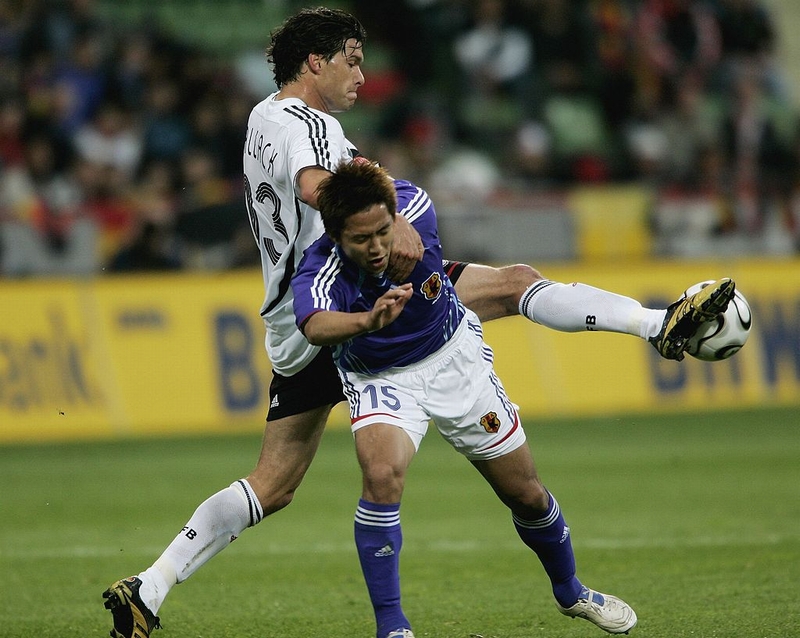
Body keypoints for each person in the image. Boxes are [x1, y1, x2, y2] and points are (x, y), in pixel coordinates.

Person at [101, 8, 736, 638]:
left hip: (295, 322)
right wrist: (388, 216)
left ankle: (149, 588)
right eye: (351, 58)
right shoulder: (306, 123)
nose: (361, 73)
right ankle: (658, 326)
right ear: (314, 62)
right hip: (341, 300)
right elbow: (318, 183)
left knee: (273, 483)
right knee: (508, 297)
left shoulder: (262, 117)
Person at [291, 160, 729, 637]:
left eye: (382, 231)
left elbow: (375, 182)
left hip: (453, 356)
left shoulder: (413, 206)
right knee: (381, 475)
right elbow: (314, 325)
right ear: (335, 235)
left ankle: (571, 590)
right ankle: (392, 627)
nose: (376, 248)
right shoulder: (320, 268)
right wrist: (366, 322)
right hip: (381, 377)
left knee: (526, 494)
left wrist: (397, 223)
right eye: (361, 240)